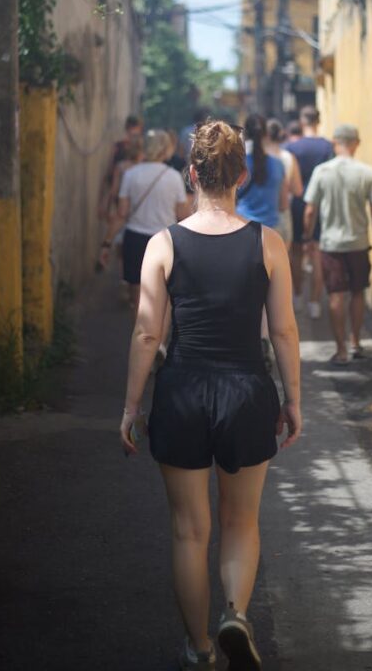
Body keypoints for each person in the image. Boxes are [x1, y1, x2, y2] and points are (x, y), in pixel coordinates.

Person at [120, 120, 301, 670]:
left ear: (191, 173)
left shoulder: (163, 244)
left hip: (181, 394)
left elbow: (148, 332)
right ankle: (234, 614)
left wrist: (131, 406)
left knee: (189, 529)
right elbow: (285, 331)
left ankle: (199, 648)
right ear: (242, 176)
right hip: (247, 391)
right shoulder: (267, 243)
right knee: (241, 521)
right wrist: (292, 400)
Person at [303, 123, 372, 365]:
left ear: (335, 143)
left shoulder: (322, 171)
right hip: (359, 242)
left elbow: (310, 210)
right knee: (358, 292)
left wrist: (308, 238)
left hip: (331, 244)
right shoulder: (367, 172)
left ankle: (340, 350)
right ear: (356, 143)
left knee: (336, 295)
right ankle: (356, 342)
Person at [99, 130, 191, 314]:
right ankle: (159, 342)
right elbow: (183, 215)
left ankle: (141, 338)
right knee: (163, 298)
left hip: (134, 239)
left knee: (138, 299)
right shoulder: (173, 177)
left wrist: (106, 243)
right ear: (165, 150)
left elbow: (121, 214)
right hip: (165, 241)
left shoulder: (131, 174)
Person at [283, 106, 334, 319]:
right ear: (318, 121)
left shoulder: (291, 148)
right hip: (321, 203)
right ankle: (315, 301)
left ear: (302, 122)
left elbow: (288, 180)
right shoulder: (327, 146)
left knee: (296, 250)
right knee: (317, 252)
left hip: (298, 202)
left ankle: (297, 295)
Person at [236, 114, 287, 233]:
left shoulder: (238, 164)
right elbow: (283, 204)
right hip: (272, 229)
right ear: (267, 135)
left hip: (242, 228)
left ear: (244, 135)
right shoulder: (278, 164)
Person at [97, 114, 144, 221]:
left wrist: (105, 205)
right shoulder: (142, 149)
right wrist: (105, 205)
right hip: (131, 196)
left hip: (121, 195)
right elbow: (110, 175)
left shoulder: (118, 147)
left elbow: (109, 175)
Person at [266, 118, 303, 249]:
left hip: (258, 215)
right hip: (283, 214)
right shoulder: (288, 157)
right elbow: (298, 190)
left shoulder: (256, 159)